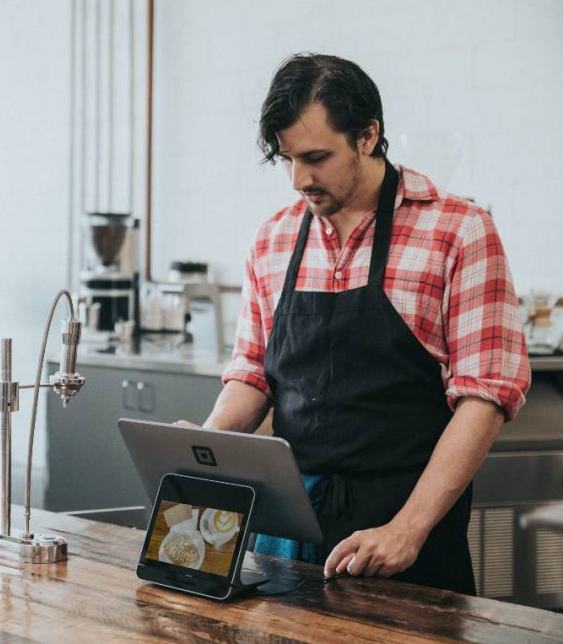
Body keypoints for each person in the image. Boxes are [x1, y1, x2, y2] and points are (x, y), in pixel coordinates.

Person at [184, 53, 530, 594]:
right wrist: (205, 446)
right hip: (288, 530)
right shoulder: (273, 238)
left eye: (316, 157)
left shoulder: (459, 232)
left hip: (404, 532)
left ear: (368, 135)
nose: (299, 179)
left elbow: (485, 398)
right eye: (286, 159)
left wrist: (407, 530)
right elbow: (253, 374)